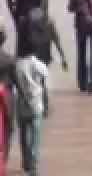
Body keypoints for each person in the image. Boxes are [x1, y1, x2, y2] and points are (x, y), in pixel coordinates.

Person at [13, 46, 48, 176]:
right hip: (35, 103)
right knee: (35, 136)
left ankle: (26, 163)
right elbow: (45, 73)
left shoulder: (16, 63)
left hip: (21, 103)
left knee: (23, 135)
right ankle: (33, 166)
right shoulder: (36, 63)